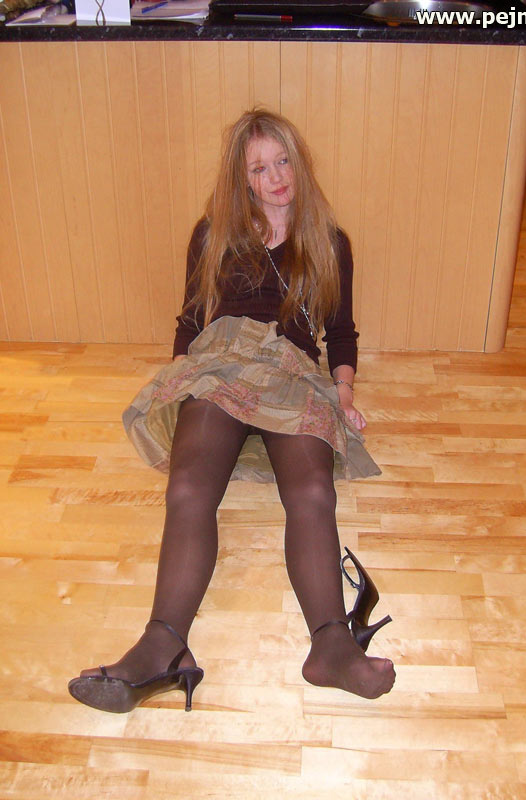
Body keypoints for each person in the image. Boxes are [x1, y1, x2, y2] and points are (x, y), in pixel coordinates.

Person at [68, 109, 395, 713]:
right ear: (242, 178)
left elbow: (341, 331)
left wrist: (344, 395)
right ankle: (163, 645)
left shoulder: (330, 242)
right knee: (189, 485)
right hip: (221, 359)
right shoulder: (213, 233)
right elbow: (192, 318)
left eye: (283, 162)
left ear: (299, 162)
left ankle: (331, 645)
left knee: (313, 491)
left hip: (291, 369)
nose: (276, 178)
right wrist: (178, 378)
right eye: (259, 168)